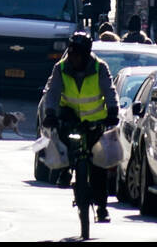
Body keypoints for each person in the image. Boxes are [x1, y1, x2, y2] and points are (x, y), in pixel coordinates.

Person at [41, 30, 119, 225]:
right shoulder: (60, 68)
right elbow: (52, 92)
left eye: (78, 54)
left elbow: (109, 90)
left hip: (95, 121)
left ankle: (102, 207)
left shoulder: (100, 68)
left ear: (86, 55)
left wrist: (113, 111)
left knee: (98, 166)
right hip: (70, 116)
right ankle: (64, 169)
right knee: (61, 137)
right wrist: (50, 113)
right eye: (71, 53)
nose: (74, 58)